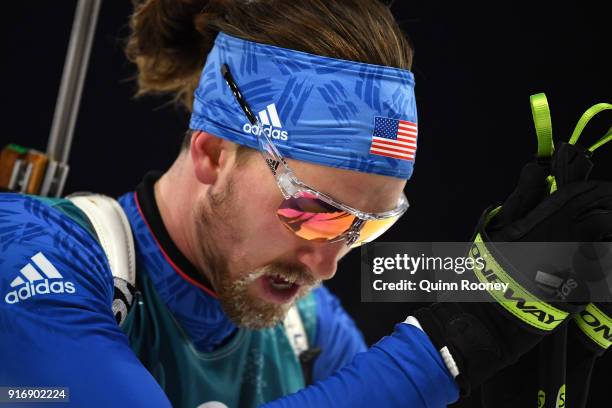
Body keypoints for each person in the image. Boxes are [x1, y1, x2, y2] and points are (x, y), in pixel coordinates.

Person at [1, 1, 611, 407]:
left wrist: (515, 360)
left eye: (363, 232)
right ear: (212, 155)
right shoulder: (32, 254)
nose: (328, 266)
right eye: (317, 213)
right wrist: (466, 333)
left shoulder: (306, 329)